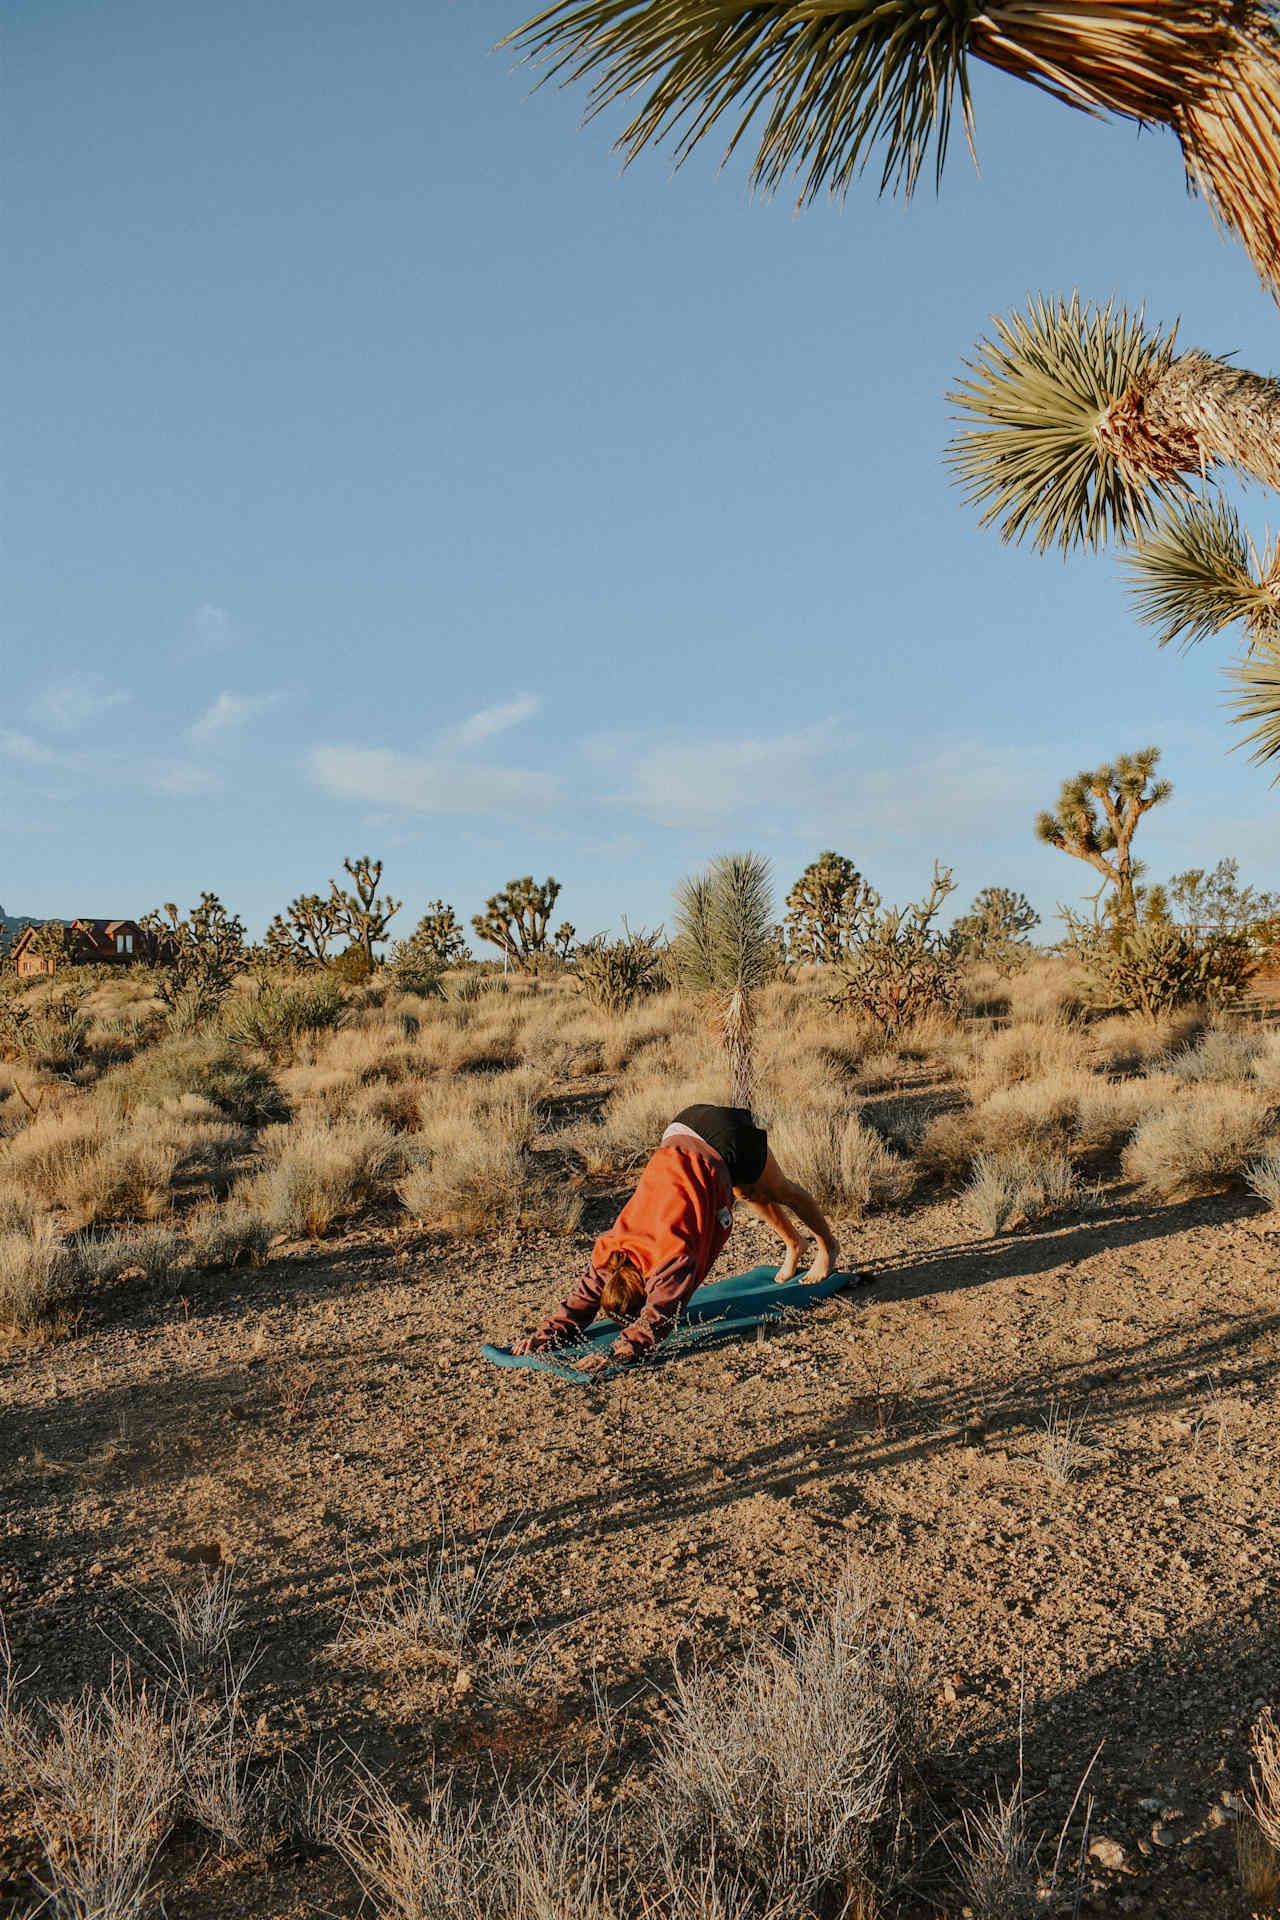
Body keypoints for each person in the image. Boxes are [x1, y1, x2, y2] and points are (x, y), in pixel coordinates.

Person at [512, 1103, 841, 1372]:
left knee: (781, 1191)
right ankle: (794, 1244)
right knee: (749, 1192)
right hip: (682, 1128)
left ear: (648, 1289)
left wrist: (618, 1354)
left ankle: (827, 1247)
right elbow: (581, 1301)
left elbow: (659, 1315)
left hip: (723, 1135)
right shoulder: (612, 1254)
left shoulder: (670, 1257)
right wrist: (545, 1336)